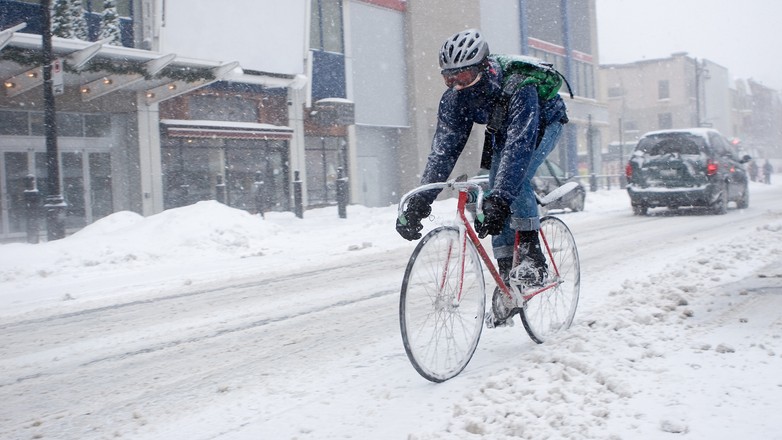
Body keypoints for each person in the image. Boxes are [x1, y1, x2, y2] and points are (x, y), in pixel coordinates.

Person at [395, 29, 569, 325]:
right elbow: (443, 152)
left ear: (483, 67)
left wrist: (501, 200)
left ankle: (532, 258)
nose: (457, 85)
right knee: (493, 191)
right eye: (449, 79)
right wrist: (420, 202)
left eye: (463, 76)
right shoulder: (454, 100)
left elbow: (519, 148)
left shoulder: (518, 86)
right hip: (504, 126)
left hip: (542, 121)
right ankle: (508, 280)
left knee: (513, 181)